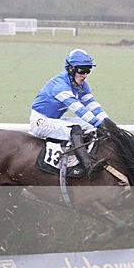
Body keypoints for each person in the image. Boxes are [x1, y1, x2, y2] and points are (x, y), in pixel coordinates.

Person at [30, 48, 110, 177]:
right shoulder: (59, 85)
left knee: (90, 126)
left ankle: (89, 155)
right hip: (40, 122)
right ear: (71, 69)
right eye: (81, 70)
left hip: (55, 120)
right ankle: (88, 166)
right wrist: (99, 123)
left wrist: (108, 124)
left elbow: (93, 105)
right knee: (75, 129)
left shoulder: (82, 85)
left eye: (88, 70)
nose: (85, 75)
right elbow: (79, 109)